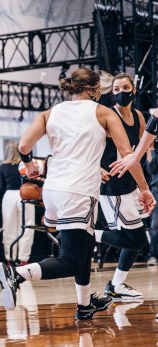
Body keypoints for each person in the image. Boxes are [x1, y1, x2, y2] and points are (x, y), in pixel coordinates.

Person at [0, 67, 155, 321]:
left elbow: (24, 146)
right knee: (70, 259)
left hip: (52, 191)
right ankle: (17, 274)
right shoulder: (102, 112)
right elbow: (129, 156)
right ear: (93, 90)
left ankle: (84, 304)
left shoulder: (51, 113)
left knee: (84, 244)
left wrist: (31, 164)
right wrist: (144, 189)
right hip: (78, 191)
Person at [95, 73, 148, 300]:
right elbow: (90, 144)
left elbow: (140, 153)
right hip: (112, 186)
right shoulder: (108, 115)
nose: (120, 92)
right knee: (136, 240)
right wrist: (96, 166)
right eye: (116, 89)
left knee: (135, 239)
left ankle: (117, 285)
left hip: (131, 184)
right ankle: (89, 233)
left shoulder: (138, 117)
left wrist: (141, 184)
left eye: (125, 87)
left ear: (133, 89)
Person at [0, 142, 34, 265]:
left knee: (9, 228)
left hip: (9, 196)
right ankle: (24, 259)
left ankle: (10, 259)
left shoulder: (3, 166)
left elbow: (1, 186)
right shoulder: (25, 165)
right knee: (27, 227)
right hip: (24, 194)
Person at [146, 142, 158, 265]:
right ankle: (153, 255)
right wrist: (149, 149)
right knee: (155, 224)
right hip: (156, 189)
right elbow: (151, 169)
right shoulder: (153, 149)